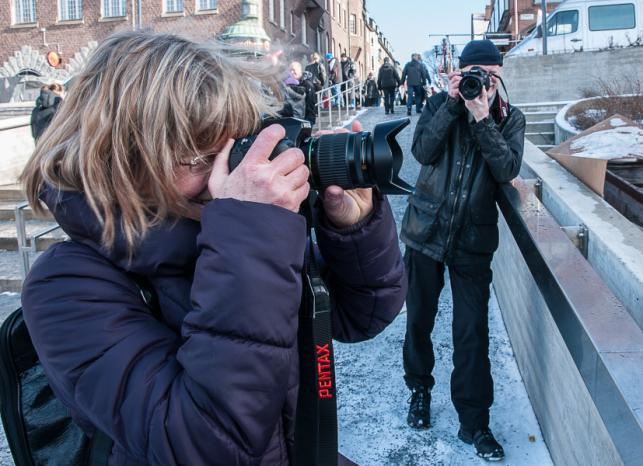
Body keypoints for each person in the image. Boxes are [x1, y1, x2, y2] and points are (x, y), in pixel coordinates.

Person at [19, 31, 406, 465]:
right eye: (200, 159)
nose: (228, 171)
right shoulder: (64, 286)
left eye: (231, 147)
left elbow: (361, 315)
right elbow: (204, 446)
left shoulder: (215, 229)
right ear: (122, 158)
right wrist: (251, 234)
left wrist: (352, 229)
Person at [400, 40, 526, 461]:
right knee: (419, 320)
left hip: (472, 242)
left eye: (489, 75)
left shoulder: (510, 118)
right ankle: (419, 390)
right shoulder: (440, 105)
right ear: (458, 73)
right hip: (425, 231)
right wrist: (456, 105)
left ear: (500, 76)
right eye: (473, 73)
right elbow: (422, 152)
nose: (481, 82)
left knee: (472, 333)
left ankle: (475, 422)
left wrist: (482, 118)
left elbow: (506, 168)